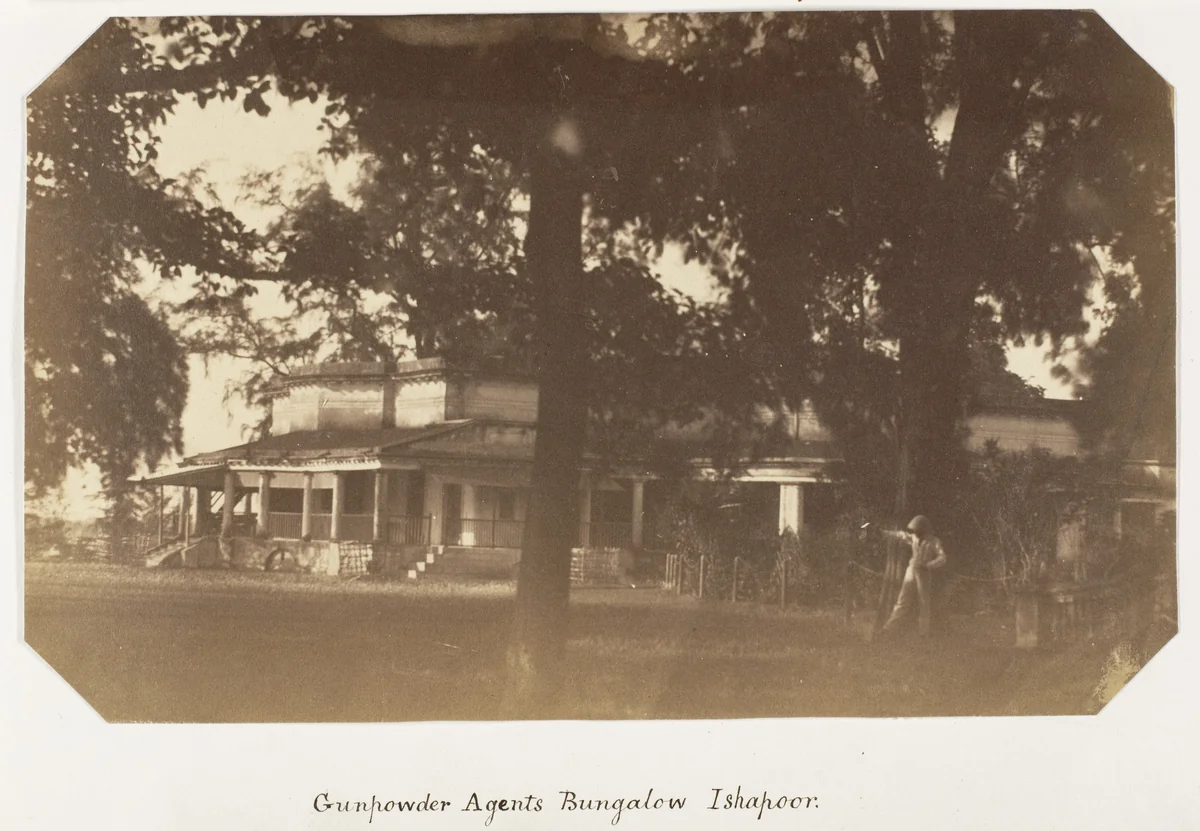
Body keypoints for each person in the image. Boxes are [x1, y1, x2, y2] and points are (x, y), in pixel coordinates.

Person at [878, 514, 948, 637]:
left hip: (924, 572)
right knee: (903, 600)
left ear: (924, 529)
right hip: (911, 570)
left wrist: (929, 565)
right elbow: (899, 535)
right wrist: (883, 532)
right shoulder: (913, 538)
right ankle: (888, 629)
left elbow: (942, 557)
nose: (916, 532)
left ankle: (923, 633)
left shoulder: (934, 541)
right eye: (915, 530)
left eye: (918, 530)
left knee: (924, 602)